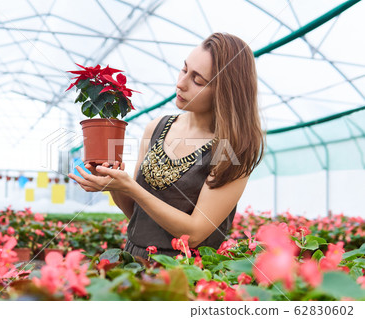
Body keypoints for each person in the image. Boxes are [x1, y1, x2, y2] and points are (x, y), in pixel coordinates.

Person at [68, 32, 265, 259]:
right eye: (184, 70)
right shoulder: (157, 128)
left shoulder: (232, 149)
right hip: (134, 259)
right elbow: (135, 212)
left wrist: (131, 187)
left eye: (198, 80)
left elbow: (195, 232)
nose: (180, 84)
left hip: (185, 272)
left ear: (225, 92)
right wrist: (114, 184)